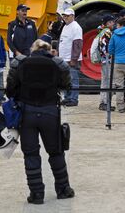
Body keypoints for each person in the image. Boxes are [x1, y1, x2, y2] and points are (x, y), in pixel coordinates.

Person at [6, 39, 75, 205]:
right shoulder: (57, 64)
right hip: (50, 111)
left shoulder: (20, 63)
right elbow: (67, 85)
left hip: (27, 112)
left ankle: (36, 193)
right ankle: (63, 189)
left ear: (33, 49)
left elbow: (10, 89)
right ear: (49, 50)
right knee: (56, 151)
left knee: (30, 153)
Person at [58, 8, 83, 106]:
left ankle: (73, 99)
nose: (65, 17)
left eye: (67, 16)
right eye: (64, 15)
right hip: (64, 59)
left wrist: (74, 59)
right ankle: (67, 97)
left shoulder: (76, 27)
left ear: (72, 16)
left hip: (70, 60)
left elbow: (78, 44)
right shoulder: (66, 26)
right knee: (66, 80)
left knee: (73, 80)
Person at [97, 14, 116, 111]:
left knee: (104, 81)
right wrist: (110, 55)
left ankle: (103, 102)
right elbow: (106, 47)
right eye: (110, 22)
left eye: (113, 21)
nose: (112, 23)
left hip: (104, 60)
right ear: (106, 24)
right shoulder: (107, 32)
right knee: (108, 82)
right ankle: (105, 102)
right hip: (107, 60)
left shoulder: (101, 31)